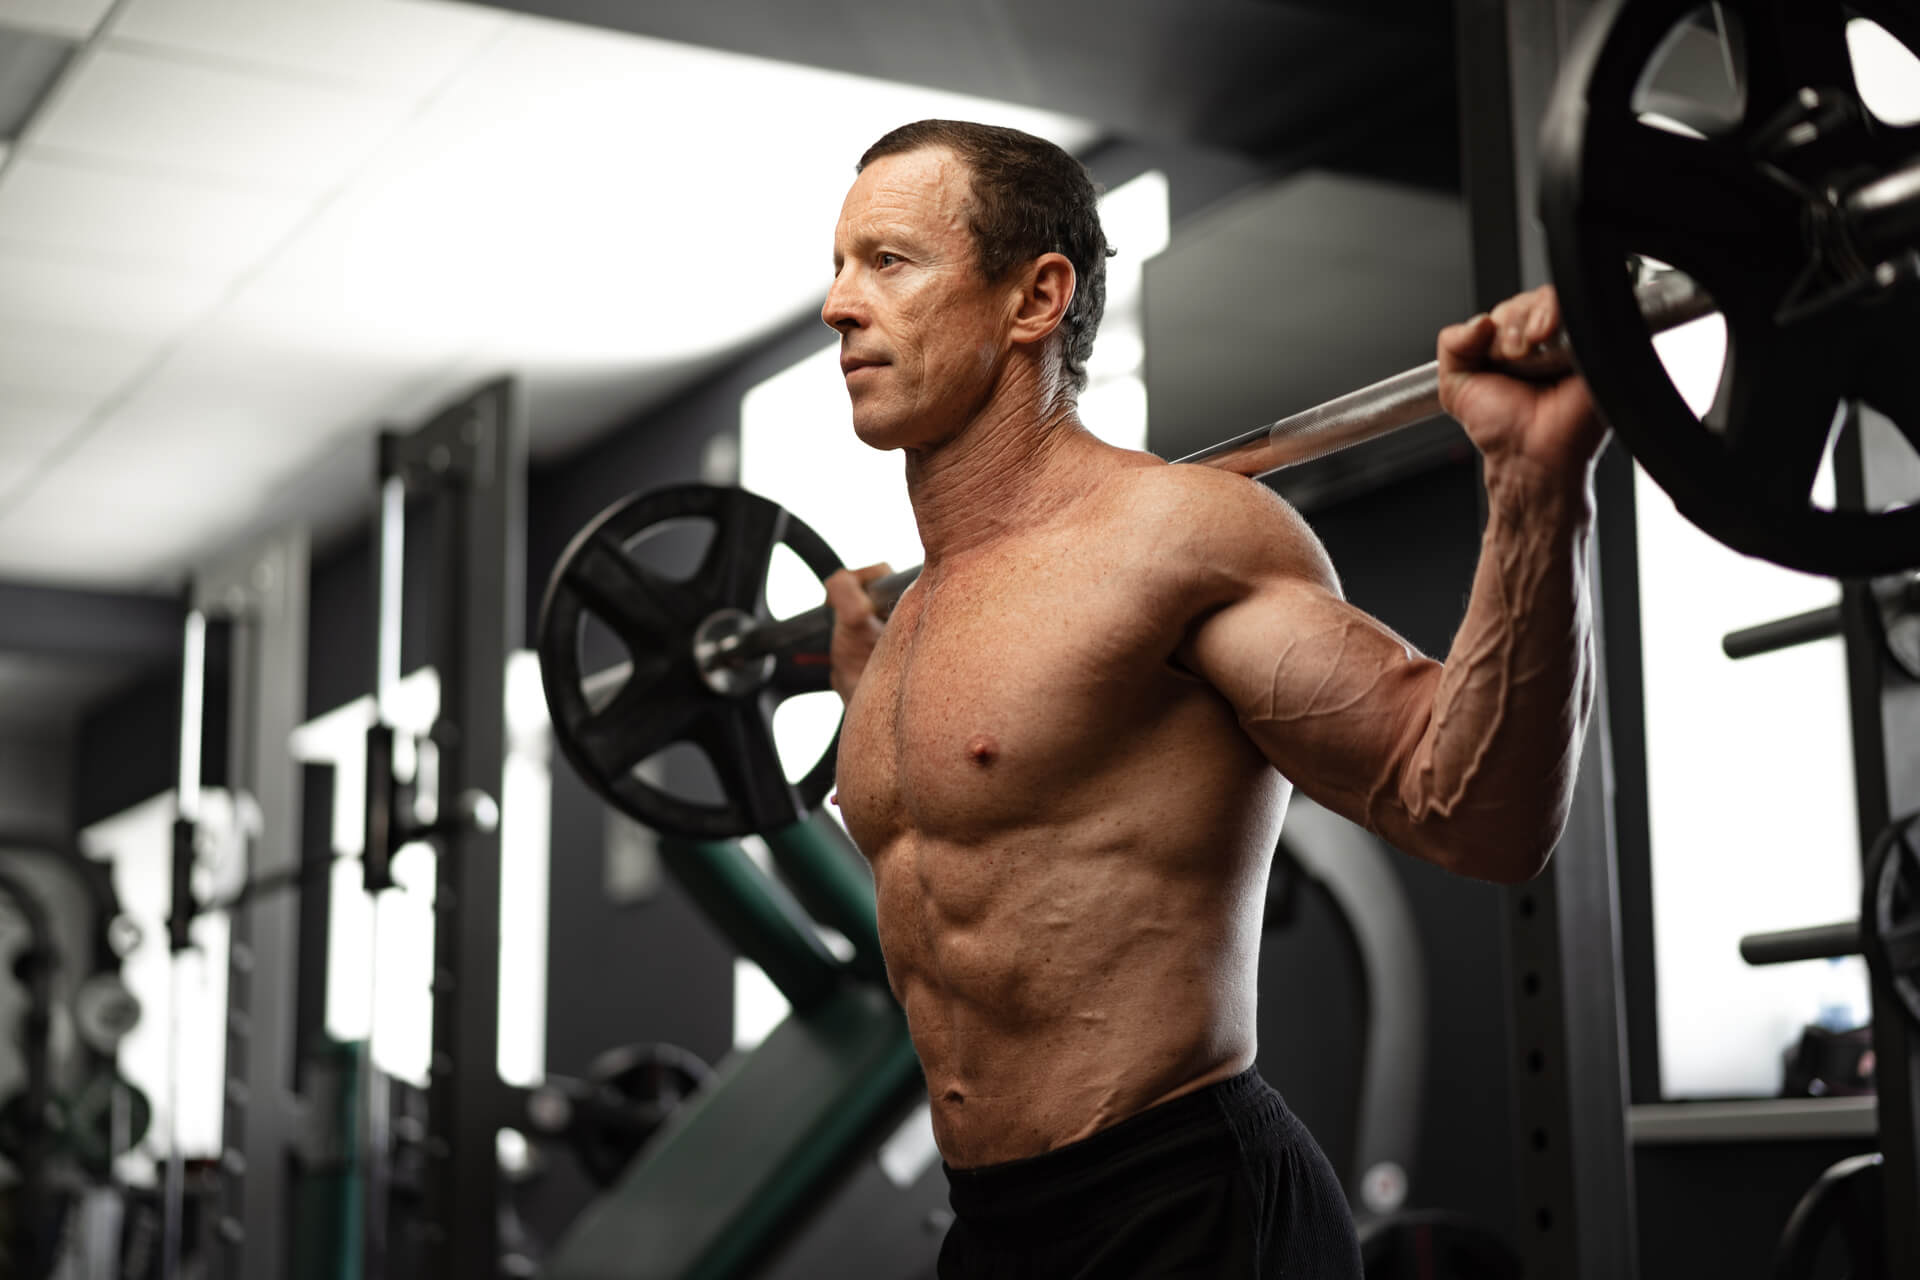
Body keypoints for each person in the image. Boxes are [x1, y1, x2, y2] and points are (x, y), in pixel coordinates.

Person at [819, 119, 1602, 1279]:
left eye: (888, 261)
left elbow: (1472, 808)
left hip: (1185, 1211)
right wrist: (858, 679)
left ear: (1035, 299)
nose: (838, 304)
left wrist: (1536, 488)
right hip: (992, 1228)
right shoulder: (908, 629)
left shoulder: (1179, 541)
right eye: (837, 266)